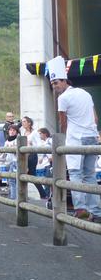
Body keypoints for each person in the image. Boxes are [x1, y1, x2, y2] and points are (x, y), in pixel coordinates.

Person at [48, 56, 101, 222]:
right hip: (91, 136)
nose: (55, 86)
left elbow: (62, 124)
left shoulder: (63, 99)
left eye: (56, 83)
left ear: (65, 81)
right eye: (53, 84)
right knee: (90, 176)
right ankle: (97, 212)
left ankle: (81, 209)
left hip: (76, 139)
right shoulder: (85, 93)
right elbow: (95, 119)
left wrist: (61, 143)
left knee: (76, 174)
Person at [20, 116, 48, 199]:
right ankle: (42, 194)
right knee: (27, 174)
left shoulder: (34, 132)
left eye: (25, 121)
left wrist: (32, 144)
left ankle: (43, 194)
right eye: (22, 121)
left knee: (31, 173)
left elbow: (39, 144)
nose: (23, 123)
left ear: (29, 123)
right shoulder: (23, 133)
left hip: (32, 155)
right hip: (25, 155)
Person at [3, 124, 20, 199]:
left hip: (15, 162)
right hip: (8, 163)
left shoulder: (18, 140)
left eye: (13, 130)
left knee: (13, 181)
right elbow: (3, 153)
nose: (12, 132)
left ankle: (14, 198)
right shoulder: (7, 141)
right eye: (10, 130)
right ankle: (14, 197)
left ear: (16, 132)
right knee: (10, 181)